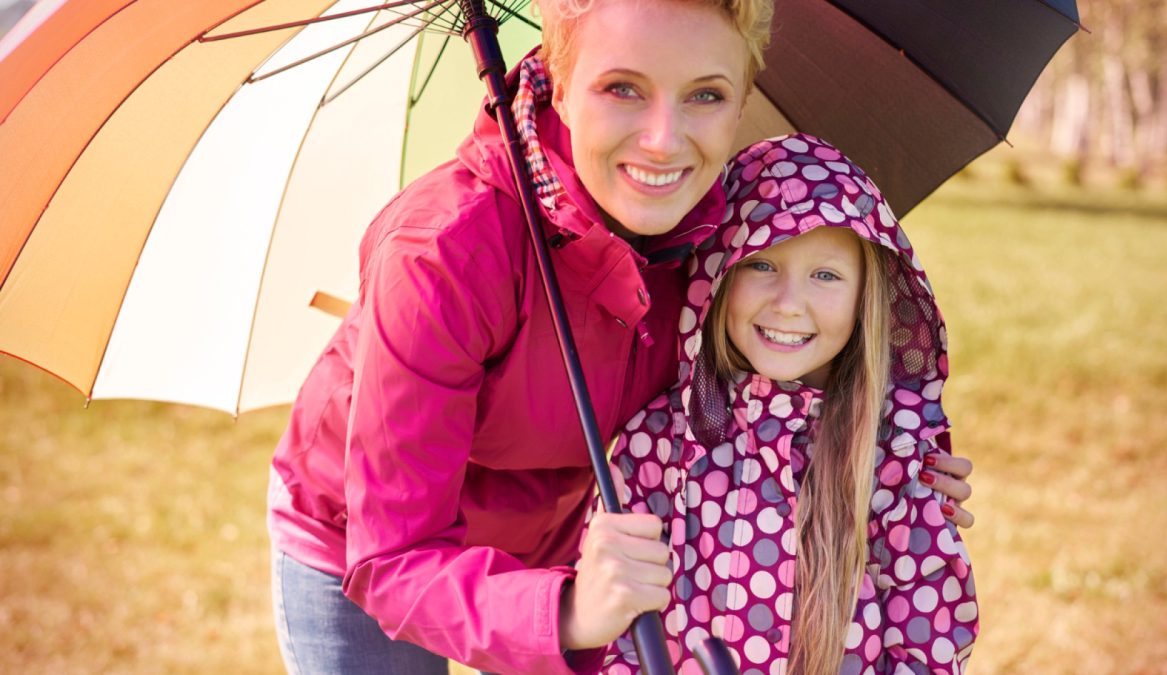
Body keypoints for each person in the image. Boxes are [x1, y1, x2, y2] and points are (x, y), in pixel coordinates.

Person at [266, 1, 973, 673]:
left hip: (567, 536)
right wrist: (569, 611)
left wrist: (883, 456)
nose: (665, 141)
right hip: (373, 546)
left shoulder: (720, 229)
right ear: (560, 84)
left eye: (706, 95)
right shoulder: (441, 253)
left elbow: (762, 378)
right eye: (623, 88)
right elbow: (394, 557)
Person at [591, 134, 978, 675]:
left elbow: (926, 647)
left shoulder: (893, 456)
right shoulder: (658, 442)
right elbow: (619, 635)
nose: (789, 304)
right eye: (762, 265)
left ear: (867, 294)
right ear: (718, 276)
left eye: (825, 275)